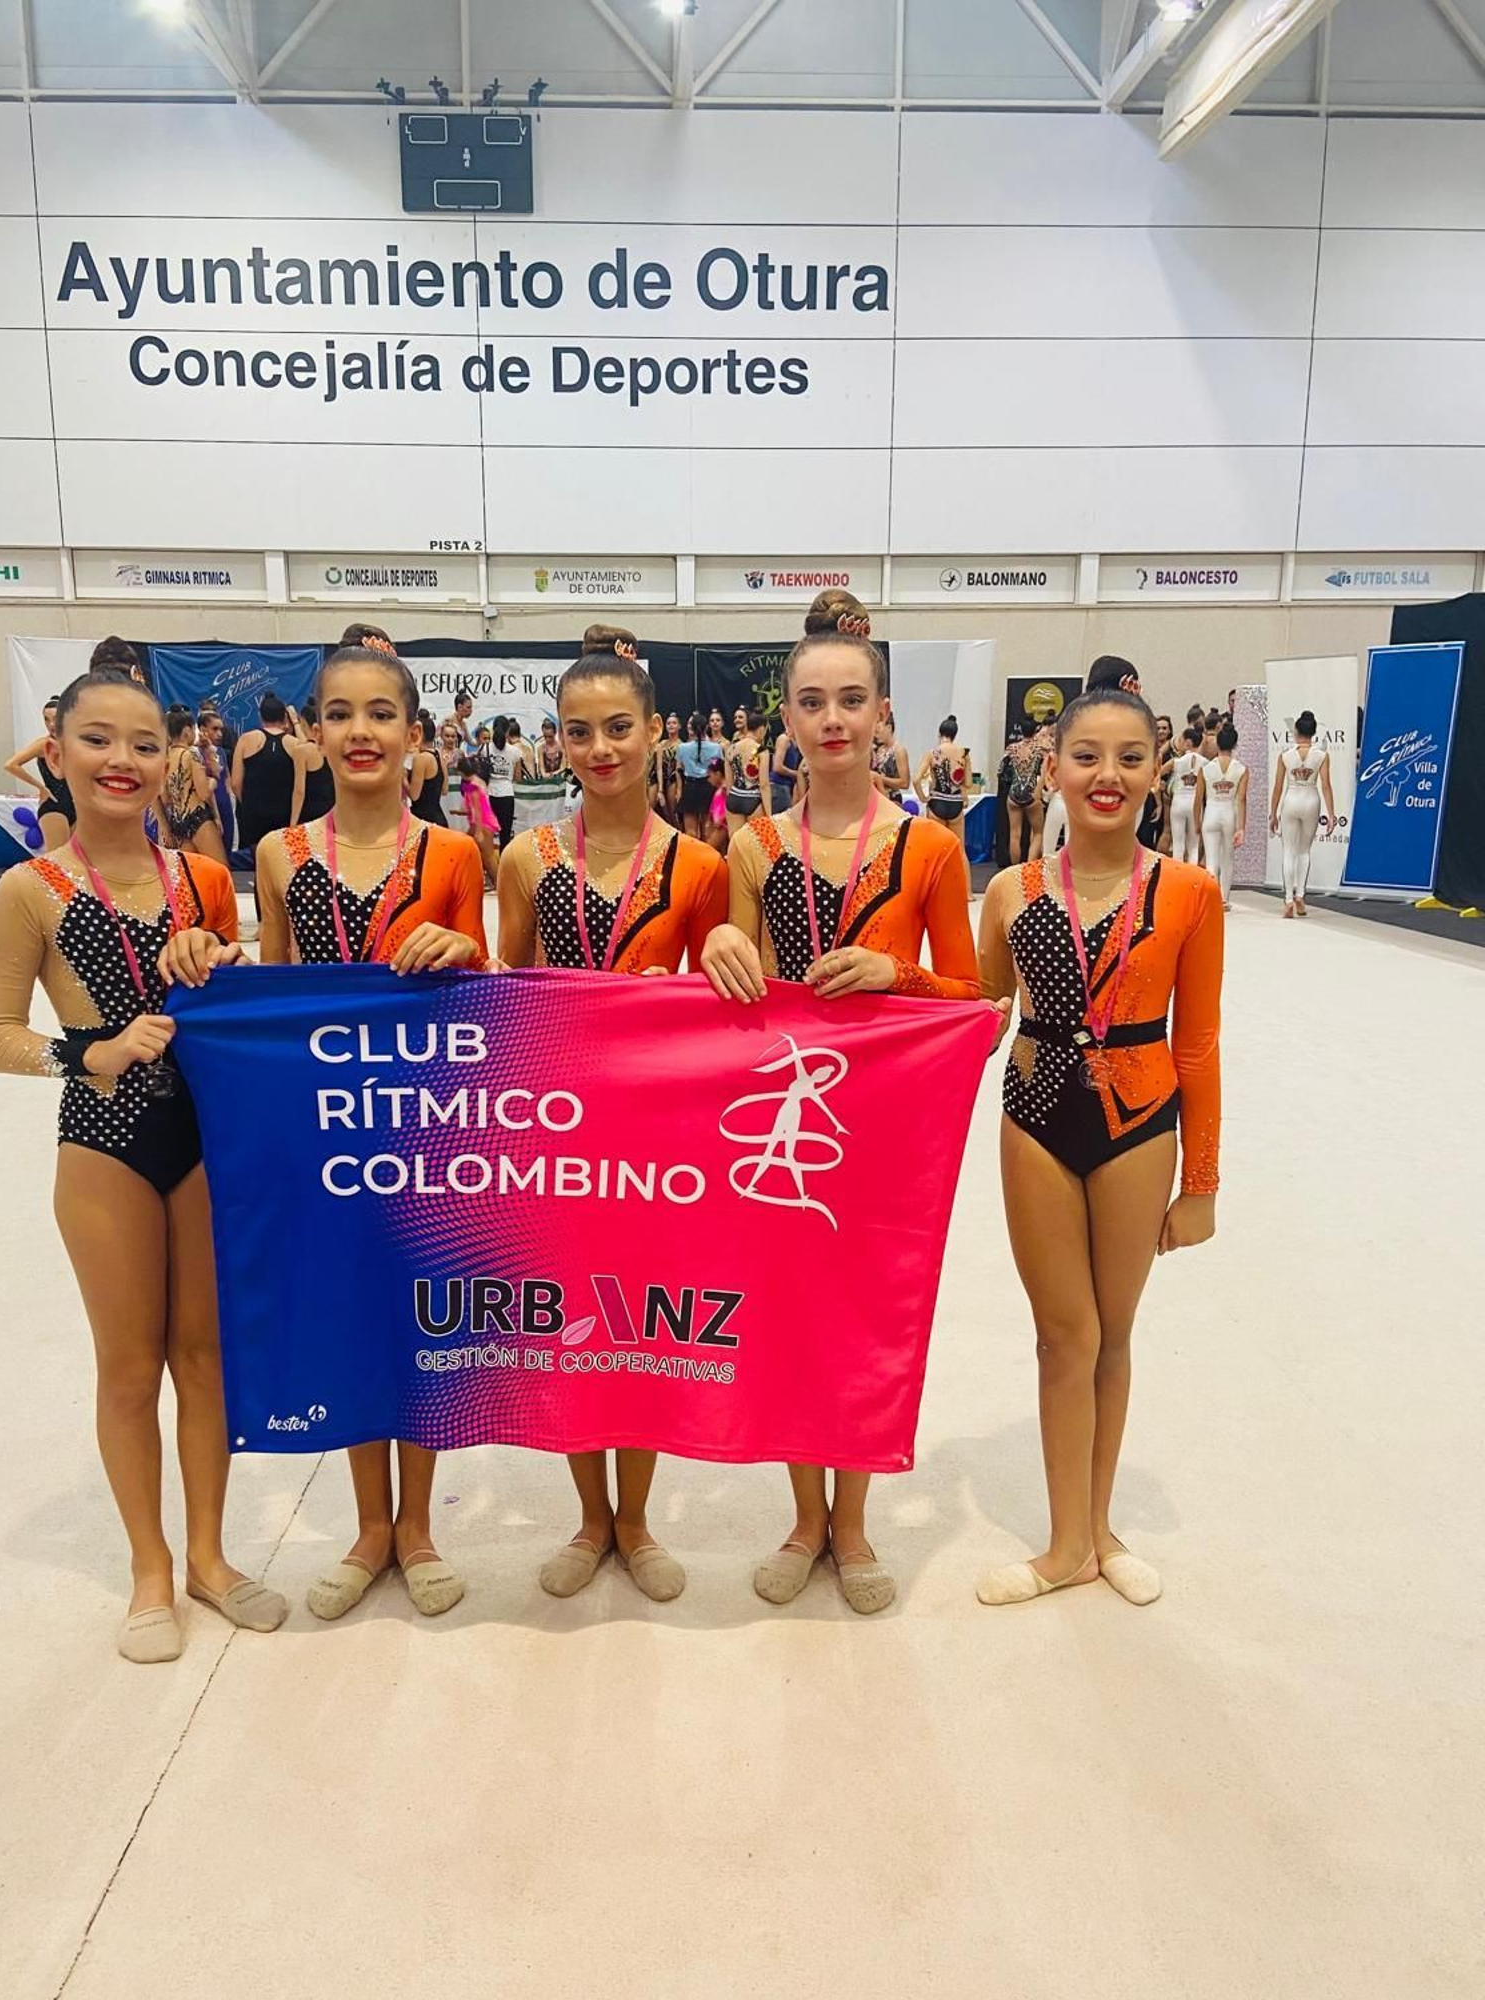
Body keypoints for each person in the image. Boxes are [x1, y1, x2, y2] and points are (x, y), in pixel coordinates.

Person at [168, 644, 486, 1625]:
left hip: (429, 1122)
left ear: (412, 735)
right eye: (339, 714)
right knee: (351, 1313)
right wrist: (210, 959)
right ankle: (369, 1527)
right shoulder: (279, 854)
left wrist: (468, 948)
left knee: (422, 1321)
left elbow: (491, 991)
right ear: (313, 730)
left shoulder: (454, 855)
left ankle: (420, 1526)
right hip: (329, 1128)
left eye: (381, 714)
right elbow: (281, 987)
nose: (360, 732)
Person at [0, 667, 285, 1662]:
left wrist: (226, 962)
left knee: (205, 1358)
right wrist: (85, 1050)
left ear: (171, 760)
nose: (122, 761)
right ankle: (148, 1568)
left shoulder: (199, 875)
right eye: (99, 740)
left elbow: (230, 996)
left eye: (144, 744)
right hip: (103, 1142)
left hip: (203, 1137)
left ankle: (208, 1555)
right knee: (127, 1367)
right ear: (56, 751)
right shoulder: (31, 888)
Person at [700, 589, 983, 1617]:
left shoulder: (928, 848)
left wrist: (896, 975)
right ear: (786, 720)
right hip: (781, 1113)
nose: (830, 720)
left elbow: (975, 998)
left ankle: (852, 1519)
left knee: (864, 1317)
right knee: (785, 1313)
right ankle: (802, 1515)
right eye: (811, 702)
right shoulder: (751, 846)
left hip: (882, 1117)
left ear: (881, 716)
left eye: (850, 701)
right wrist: (721, 943)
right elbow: (729, 982)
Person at [975, 686, 1222, 1610]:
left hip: (1139, 1121)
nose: (1105, 775)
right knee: (1060, 1334)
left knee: (1113, 1333)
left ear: (1157, 773)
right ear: (1054, 768)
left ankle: (1101, 1528)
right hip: (1035, 1115)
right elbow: (980, 1010)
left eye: (1128, 757)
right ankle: (1063, 1542)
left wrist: (1199, 1182)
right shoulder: (1011, 891)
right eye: (1086, 755)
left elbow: (1197, 1042)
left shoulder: (1190, 894)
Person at [497, 633, 728, 1606]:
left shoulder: (699, 864)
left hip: (651, 1132)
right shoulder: (523, 856)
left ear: (654, 734)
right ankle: (589, 1518)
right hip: (555, 1126)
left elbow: (721, 993)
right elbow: (501, 986)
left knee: (639, 1329)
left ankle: (636, 1520)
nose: (600, 748)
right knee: (564, 1328)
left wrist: (721, 942)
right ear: (559, 742)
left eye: (619, 729)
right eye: (579, 731)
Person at [1271, 710, 1334, 919]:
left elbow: (1278, 786)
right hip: (1311, 798)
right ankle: (1300, 894)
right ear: (1314, 733)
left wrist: (1273, 813)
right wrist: (1331, 814)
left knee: (1288, 850)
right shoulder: (1321, 756)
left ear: (1296, 732)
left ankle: (1288, 898)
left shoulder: (1285, 756)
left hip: (1291, 799)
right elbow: (1326, 785)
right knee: (1304, 850)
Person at [232, 692, 305, 860]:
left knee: (260, 861)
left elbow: (235, 783)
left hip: (254, 812)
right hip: (284, 813)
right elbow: (311, 751)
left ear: (260, 715)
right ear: (284, 717)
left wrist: (249, 803)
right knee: (282, 863)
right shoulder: (295, 744)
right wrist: (295, 722)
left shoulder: (246, 740)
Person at [159, 708, 228, 868]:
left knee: (189, 876)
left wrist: (164, 825)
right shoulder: (191, 755)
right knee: (220, 871)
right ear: (187, 730)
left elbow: (164, 798)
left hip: (178, 822)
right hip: (197, 818)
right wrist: (212, 781)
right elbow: (203, 793)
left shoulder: (165, 757)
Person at [4, 698, 74, 852]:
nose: (50, 724)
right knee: (58, 860)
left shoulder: (75, 744)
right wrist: (40, 786)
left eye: (55, 719)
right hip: (54, 805)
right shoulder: (44, 744)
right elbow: (10, 765)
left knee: (77, 860)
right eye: (46, 719)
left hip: (77, 805)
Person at [1195, 721, 1247, 909]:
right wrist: (1241, 827)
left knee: (1211, 859)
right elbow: (1241, 799)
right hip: (1229, 813)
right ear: (1234, 745)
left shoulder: (1206, 768)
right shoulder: (1241, 769)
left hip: (1211, 811)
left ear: (1218, 743)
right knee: (1227, 858)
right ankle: (1224, 898)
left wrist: (1196, 821)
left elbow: (1198, 798)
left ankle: (1212, 897)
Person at [915, 715, 971, 846]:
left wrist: (923, 798)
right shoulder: (964, 753)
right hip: (956, 802)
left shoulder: (933, 753)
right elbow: (968, 783)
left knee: (936, 848)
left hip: (937, 801)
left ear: (939, 734)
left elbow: (916, 779)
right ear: (955, 735)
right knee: (959, 849)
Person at [1004, 714, 1047, 863]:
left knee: (1014, 834)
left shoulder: (1011, 749)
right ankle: (1030, 865)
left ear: (1021, 730)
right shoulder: (1040, 750)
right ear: (1035, 730)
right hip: (1032, 793)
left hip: (1014, 793)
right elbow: (1045, 772)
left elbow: (1000, 771)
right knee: (1038, 833)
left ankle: (1014, 869)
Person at [677, 709, 724, 842]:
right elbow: (718, 769)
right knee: (707, 831)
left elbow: (680, 767)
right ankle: (708, 861)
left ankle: (692, 860)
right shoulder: (716, 748)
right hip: (708, 788)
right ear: (707, 727)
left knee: (690, 833)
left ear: (690, 728)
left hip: (690, 787)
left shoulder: (682, 748)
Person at [197, 707, 235, 851]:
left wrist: (231, 799)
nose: (219, 734)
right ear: (203, 729)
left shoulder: (221, 752)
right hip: (207, 807)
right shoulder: (196, 753)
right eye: (215, 729)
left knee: (227, 846)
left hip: (224, 804)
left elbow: (226, 778)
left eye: (221, 730)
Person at [459, 753, 501, 885]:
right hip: (480, 822)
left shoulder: (473, 785)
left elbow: (477, 809)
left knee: (488, 856)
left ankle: (499, 883)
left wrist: (478, 831)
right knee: (469, 852)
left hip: (483, 823)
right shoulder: (478, 781)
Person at [1166, 725, 1204, 865]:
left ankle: (1177, 875)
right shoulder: (1205, 763)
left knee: (1178, 843)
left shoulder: (1176, 761)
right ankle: (1192, 877)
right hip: (1195, 802)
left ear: (1188, 742)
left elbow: (1158, 772)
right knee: (1193, 844)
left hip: (1178, 801)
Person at [294, 698, 335, 824]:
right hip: (331, 809)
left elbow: (299, 791)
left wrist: (293, 822)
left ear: (304, 723)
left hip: (311, 812)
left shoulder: (302, 751)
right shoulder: (330, 745)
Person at [406, 709, 448, 828]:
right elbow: (444, 790)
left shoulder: (422, 758)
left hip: (424, 822)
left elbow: (414, 795)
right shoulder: (438, 753)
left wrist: (403, 778)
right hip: (438, 818)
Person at [725, 707, 767, 825]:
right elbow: (764, 785)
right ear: (762, 729)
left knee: (734, 842)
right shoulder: (761, 750)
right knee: (755, 842)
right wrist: (769, 814)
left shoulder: (731, 749)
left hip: (734, 797)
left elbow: (729, 782)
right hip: (753, 798)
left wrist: (730, 802)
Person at [486, 715, 522, 845]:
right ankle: (503, 863)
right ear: (508, 731)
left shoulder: (485, 749)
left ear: (493, 729)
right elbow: (518, 777)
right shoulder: (515, 752)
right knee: (505, 834)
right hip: (506, 793)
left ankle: (486, 864)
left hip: (488, 793)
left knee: (487, 833)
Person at [1144, 713, 1175, 851]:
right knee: (1147, 831)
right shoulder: (1149, 748)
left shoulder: (1173, 753)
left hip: (1168, 797)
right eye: (1158, 728)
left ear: (1169, 730)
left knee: (1165, 830)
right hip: (1151, 796)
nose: (1161, 731)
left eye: (1164, 728)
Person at [870, 706, 910, 800]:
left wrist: (880, 779)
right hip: (875, 796)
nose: (876, 735)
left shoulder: (898, 751)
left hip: (891, 797)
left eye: (878, 731)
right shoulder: (876, 748)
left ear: (889, 727)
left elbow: (904, 783)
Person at [767, 717, 802, 815]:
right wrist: (796, 774)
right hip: (778, 787)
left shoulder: (795, 742)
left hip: (785, 787)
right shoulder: (784, 739)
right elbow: (777, 767)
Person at [538, 715, 564, 780]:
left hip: (559, 779)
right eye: (545, 736)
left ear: (555, 733)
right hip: (545, 780)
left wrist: (553, 774)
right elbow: (541, 768)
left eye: (550, 736)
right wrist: (544, 775)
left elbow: (563, 767)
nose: (547, 739)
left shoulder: (562, 747)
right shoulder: (541, 748)